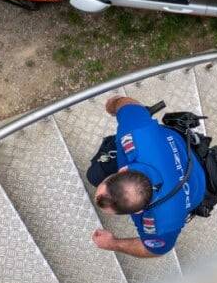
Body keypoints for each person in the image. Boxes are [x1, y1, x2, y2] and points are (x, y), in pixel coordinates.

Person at [88, 95, 206, 257]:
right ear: (122, 171)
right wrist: (113, 106)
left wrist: (113, 243)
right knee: (94, 175)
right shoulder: (137, 134)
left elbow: (153, 251)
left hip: (191, 168)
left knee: (94, 175)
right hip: (194, 184)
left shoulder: (163, 223)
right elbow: (125, 103)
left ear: (139, 212)